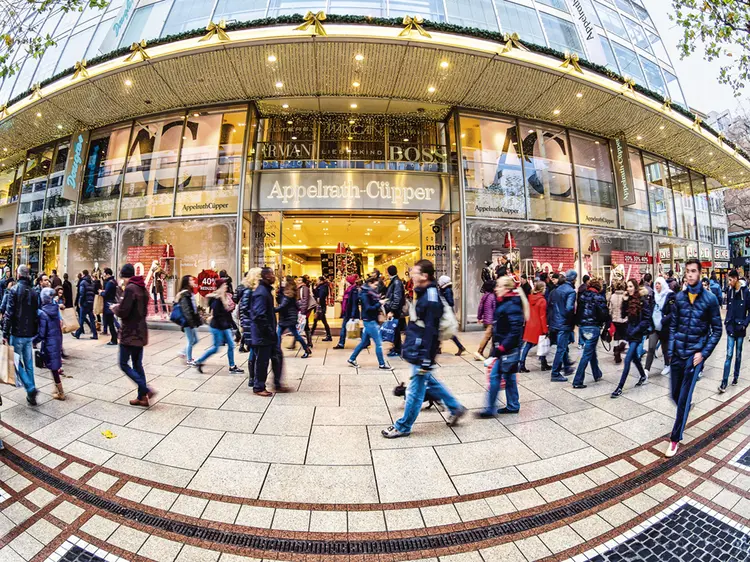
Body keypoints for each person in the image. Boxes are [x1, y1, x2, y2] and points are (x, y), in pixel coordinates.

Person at [381, 260, 466, 438]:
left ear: (425, 276)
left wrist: (426, 359)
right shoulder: (424, 293)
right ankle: (455, 407)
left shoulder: (431, 299)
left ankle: (403, 426)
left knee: (415, 391)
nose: (412, 274)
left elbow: (431, 331)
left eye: (415, 272)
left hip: (422, 352)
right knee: (431, 383)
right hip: (419, 348)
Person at [666, 258, 722, 457]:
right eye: (687, 271)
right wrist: (671, 351)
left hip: (694, 356)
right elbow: (673, 325)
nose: (689, 274)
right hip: (678, 353)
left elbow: (717, 331)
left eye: (693, 271)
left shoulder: (710, 299)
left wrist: (703, 353)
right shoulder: (679, 298)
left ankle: (674, 439)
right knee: (674, 394)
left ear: (699, 273)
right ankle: (685, 407)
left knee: (683, 398)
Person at [477, 276, 528, 417]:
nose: (496, 288)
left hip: (507, 349)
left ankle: (490, 409)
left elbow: (515, 331)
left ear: (506, 289)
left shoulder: (511, 304)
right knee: (510, 377)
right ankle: (513, 405)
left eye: (499, 286)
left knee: (495, 377)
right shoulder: (505, 301)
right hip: (505, 348)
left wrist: (501, 348)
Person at [112, 264, 154, 407]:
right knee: (137, 364)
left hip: (130, 332)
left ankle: (146, 389)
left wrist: (114, 308)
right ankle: (142, 398)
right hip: (140, 331)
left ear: (124, 276)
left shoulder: (130, 289)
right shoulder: (142, 287)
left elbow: (124, 311)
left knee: (123, 363)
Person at [3, 266, 40, 405]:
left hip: (17, 333)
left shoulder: (14, 290)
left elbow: (9, 313)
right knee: (29, 364)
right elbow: (36, 314)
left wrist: (5, 333)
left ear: (18, 275)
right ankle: (32, 393)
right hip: (29, 334)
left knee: (16, 362)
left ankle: (30, 388)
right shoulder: (34, 292)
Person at [194, 278, 244, 374]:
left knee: (231, 345)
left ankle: (232, 366)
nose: (226, 286)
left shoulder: (224, 297)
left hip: (224, 327)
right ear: (220, 286)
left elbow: (228, 315)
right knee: (216, 348)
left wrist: (234, 327)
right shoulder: (216, 299)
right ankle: (199, 361)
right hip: (217, 327)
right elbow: (217, 315)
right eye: (224, 285)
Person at [611, 279, 651, 398]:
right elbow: (623, 315)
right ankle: (643, 376)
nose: (628, 289)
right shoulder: (628, 300)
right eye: (627, 286)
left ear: (635, 287)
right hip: (629, 332)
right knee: (634, 358)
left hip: (637, 333)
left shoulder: (643, 300)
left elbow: (646, 319)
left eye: (630, 286)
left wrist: (637, 329)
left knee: (627, 359)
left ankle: (619, 387)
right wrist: (624, 301)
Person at [250, 267, 285, 396]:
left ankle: (277, 383)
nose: (274, 277)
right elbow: (259, 316)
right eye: (271, 274)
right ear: (265, 276)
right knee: (262, 361)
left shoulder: (265, 291)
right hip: (263, 334)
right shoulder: (261, 292)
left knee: (277, 357)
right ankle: (258, 387)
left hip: (268, 333)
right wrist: (270, 331)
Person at [572, 278, 609, 389]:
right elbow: (604, 314)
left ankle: (597, 373)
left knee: (591, 351)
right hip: (593, 328)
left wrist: (578, 324)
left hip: (583, 328)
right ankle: (577, 380)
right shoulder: (599, 298)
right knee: (587, 354)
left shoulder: (582, 296)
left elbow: (578, 311)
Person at [347, 276, 390, 369]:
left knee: (364, 342)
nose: (376, 287)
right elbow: (368, 308)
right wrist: (380, 303)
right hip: (370, 321)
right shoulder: (365, 294)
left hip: (370, 320)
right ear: (370, 284)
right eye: (375, 285)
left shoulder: (369, 293)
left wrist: (379, 301)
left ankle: (352, 359)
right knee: (378, 343)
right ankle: (382, 364)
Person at [720, 269, 750, 392]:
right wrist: (727, 322)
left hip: (740, 328)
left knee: (738, 355)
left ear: (736, 278)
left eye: (730, 279)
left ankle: (736, 376)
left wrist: (745, 324)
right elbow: (728, 309)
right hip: (731, 327)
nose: (729, 282)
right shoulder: (730, 291)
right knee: (729, 355)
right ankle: (724, 382)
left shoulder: (746, 292)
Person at [548, 269, 577, 382]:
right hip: (564, 323)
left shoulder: (556, 290)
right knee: (561, 348)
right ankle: (555, 373)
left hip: (555, 322)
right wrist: (572, 320)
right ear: (574, 279)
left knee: (563, 346)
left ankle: (567, 367)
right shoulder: (570, 291)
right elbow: (569, 308)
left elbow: (550, 306)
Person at [36, 288, 64, 400]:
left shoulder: (43, 313)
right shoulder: (55, 309)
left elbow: (42, 333)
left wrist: (34, 340)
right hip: (57, 340)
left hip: (49, 342)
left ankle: (60, 392)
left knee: (53, 367)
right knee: (54, 367)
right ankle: (57, 388)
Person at [644, 277, 674, 376]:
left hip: (664, 327)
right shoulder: (654, 295)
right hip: (654, 327)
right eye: (656, 283)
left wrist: (664, 320)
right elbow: (650, 309)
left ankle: (667, 365)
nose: (657, 286)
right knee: (651, 347)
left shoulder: (669, 295)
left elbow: (673, 312)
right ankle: (646, 370)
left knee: (665, 349)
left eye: (659, 284)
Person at [276, 276, 312, 358]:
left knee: (294, 335)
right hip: (287, 317)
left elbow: (283, 306)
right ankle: (306, 349)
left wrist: (272, 309)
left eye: (284, 281)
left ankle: (306, 349)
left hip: (288, 318)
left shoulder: (288, 294)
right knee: (284, 335)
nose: (282, 282)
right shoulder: (289, 292)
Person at [519, 280, 550, 372]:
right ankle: (543, 363)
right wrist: (545, 329)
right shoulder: (542, 301)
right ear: (541, 289)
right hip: (538, 326)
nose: (545, 289)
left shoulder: (531, 298)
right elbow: (542, 316)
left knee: (528, 345)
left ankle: (521, 363)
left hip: (530, 324)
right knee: (542, 343)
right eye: (544, 288)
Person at [437, 275, 467, 356]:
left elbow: (450, 302)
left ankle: (459, 347)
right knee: (443, 331)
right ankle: (438, 348)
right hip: (446, 312)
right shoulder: (445, 290)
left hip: (446, 313)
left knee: (445, 330)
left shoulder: (447, 290)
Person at [176, 275, 202, 365]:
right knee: (191, 340)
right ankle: (189, 359)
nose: (193, 281)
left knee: (195, 340)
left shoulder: (189, 292)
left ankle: (183, 352)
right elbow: (186, 310)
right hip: (187, 322)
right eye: (191, 280)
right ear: (187, 282)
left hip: (190, 321)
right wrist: (191, 323)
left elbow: (193, 308)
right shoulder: (185, 294)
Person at [383, 265, 404, 357]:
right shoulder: (395, 281)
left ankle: (397, 349)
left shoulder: (396, 282)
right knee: (395, 329)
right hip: (394, 309)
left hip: (395, 310)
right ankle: (397, 347)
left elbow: (397, 297)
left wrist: (392, 310)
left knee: (395, 329)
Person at [333, 274, 359, 349]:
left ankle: (341, 343)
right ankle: (365, 342)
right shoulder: (350, 289)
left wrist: (353, 315)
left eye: (347, 281)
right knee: (345, 327)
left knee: (344, 327)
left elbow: (354, 302)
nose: (346, 282)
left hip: (349, 312)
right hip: (348, 311)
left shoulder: (353, 290)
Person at [476, 280, 497, 361]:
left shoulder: (485, 296)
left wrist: (479, 317)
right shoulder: (492, 296)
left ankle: (488, 353)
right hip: (491, 319)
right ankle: (479, 352)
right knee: (488, 336)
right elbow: (495, 308)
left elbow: (480, 307)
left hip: (487, 319)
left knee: (489, 336)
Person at [73, 269, 97, 339]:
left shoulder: (83, 282)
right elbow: (93, 293)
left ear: (83, 274)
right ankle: (95, 334)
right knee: (92, 319)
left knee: (81, 319)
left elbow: (82, 293)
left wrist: (80, 302)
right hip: (90, 303)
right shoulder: (92, 282)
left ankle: (77, 334)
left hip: (85, 303)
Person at [609, 280, 628, 364]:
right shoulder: (625, 296)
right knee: (624, 336)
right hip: (623, 320)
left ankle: (616, 352)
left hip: (615, 319)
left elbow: (610, 309)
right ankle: (620, 348)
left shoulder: (612, 296)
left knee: (616, 336)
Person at [99, 268, 118, 346]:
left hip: (108, 304)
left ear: (107, 274)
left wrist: (101, 293)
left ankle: (114, 339)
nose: (103, 275)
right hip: (111, 303)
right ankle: (114, 337)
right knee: (111, 322)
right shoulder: (114, 281)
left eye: (104, 274)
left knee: (110, 323)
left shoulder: (109, 283)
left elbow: (106, 294)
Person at [310, 276, 332, 342]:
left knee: (322, 321)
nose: (317, 281)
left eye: (318, 280)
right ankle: (310, 334)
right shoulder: (320, 286)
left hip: (320, 306)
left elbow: (321, 296)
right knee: (316, 320)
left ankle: (328, 335)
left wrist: (318, 299)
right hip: (319, 306)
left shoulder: (323, 287)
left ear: (321, 281)